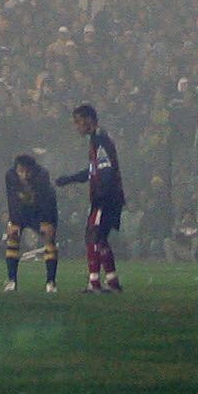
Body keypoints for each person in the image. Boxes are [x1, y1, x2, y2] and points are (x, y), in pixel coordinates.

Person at [56, 103, 125, 294]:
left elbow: (106, 171)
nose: (76, 126)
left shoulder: (100, 139)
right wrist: (69, 179)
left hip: (105, 197)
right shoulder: (98, 139)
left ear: (88, 121)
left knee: (92, 235)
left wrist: (102, 196)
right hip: (110, 196)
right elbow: (93, 171)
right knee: (101, 238)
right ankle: (112, 280)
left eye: (78, 122)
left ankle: (94, 283)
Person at [2, 152, 61, 293]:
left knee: (49, 238)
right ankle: (11, 281)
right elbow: (12, 199)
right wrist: (13, 221)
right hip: (22, 211)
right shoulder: (10, 175)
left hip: (42, 211)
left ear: (32, 170)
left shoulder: (42, 175)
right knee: (13, 236)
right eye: (20, 171)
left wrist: (46, 222)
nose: (23, 175)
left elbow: (45, 200)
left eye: (26, 171)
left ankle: (51, 282)